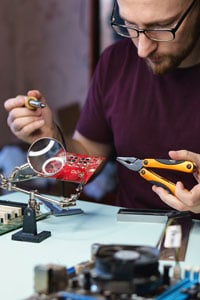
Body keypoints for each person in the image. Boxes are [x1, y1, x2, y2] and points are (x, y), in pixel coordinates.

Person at [4, 0, 200, 216]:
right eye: (130, 25)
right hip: (130, 238)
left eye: (161, 27)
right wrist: (50, 141)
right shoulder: (115, 63)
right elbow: (84, 168)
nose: (142, 50)